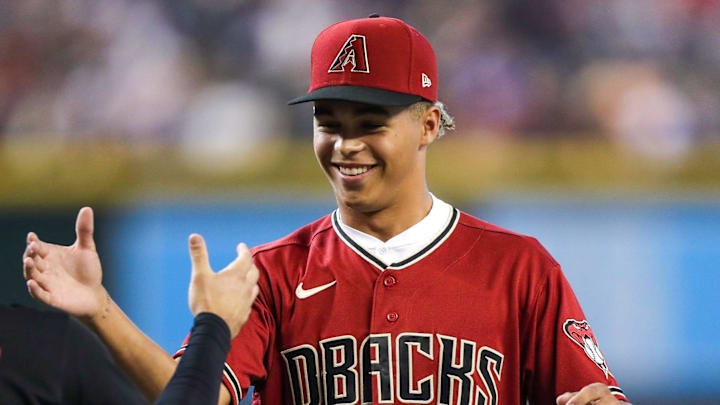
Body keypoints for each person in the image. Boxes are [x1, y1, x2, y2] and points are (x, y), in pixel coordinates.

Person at [22, 15, 630, 405]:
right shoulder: (273, 272)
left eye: (370, 124)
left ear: (427, 125)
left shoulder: (517, 266)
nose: (346, 145)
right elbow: (192, 396)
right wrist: (99, 309)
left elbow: (596, 394)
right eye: (328, 123)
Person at [15, 214, 258, 405]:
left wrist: (100, 306)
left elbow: (198, 395)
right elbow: (203, 397)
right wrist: (213, 323)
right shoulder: (269, 271)